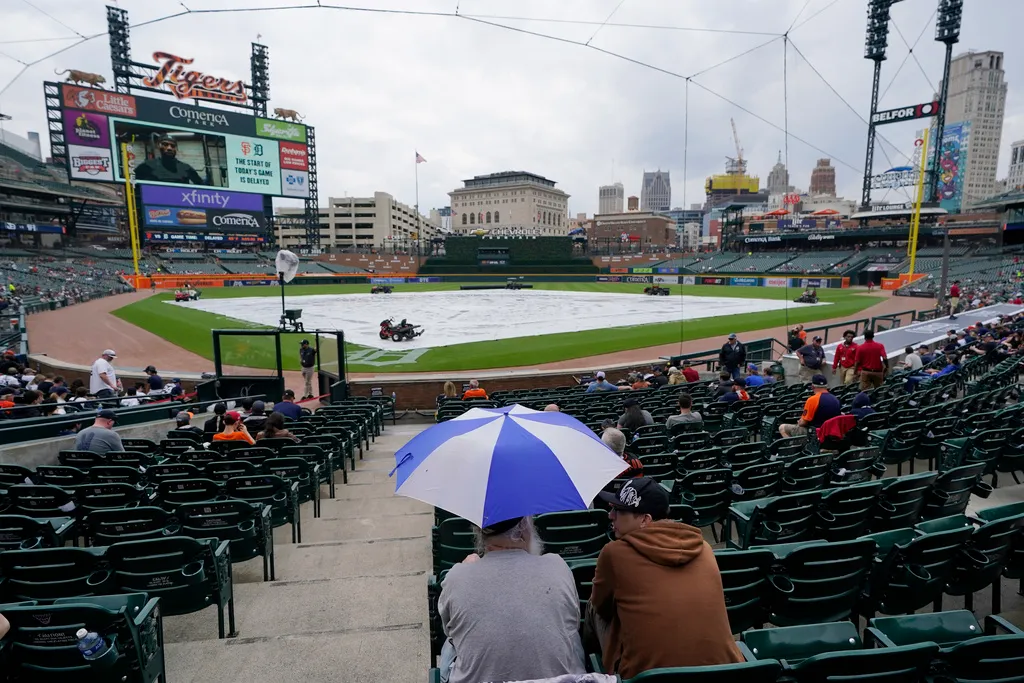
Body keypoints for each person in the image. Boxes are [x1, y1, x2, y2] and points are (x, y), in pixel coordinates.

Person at [588, 478, 742, 678]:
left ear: (645, 520)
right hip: (724, 673)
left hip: (646, 677)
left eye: (620, 511)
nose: (611, 516)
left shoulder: (613, 553)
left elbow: (601, 607)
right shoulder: (704, 548)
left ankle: (589, 671)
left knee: (592, 606)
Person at [437, 516, 585, 683]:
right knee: (571, 638)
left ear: (479, 531)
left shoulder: (456, 577)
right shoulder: (558, 566)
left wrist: (464, 573)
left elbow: (449, 630)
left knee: (450, 644)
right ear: (524, 527)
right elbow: (574, 622)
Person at [134, 135, 205, 184]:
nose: (169, 148)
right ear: (159, 146)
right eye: (165, 144)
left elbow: (202, 186)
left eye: (172, 146)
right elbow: (132, 182)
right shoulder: (147, 165)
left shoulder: (186, 168)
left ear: (176, 149)